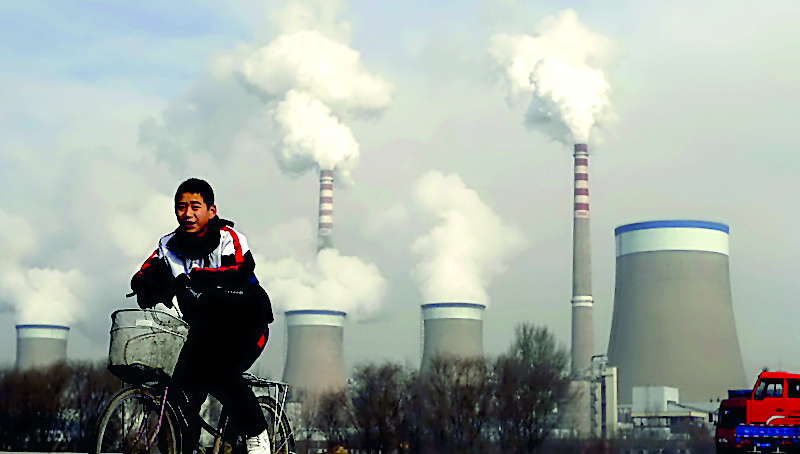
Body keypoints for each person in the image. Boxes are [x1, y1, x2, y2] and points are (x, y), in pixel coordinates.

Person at [130, 178, 274, 454]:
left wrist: (199, 279)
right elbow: (143, 273)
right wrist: (147, 287)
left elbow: (241, 271)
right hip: (203, 332)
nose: (188, 214)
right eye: (181, 207)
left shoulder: (229, 239)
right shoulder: (168, 245)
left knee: (221, 372)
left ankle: (257, 436)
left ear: (212, 210)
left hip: (246, 326)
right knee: (180, 389)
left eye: (195, 206)